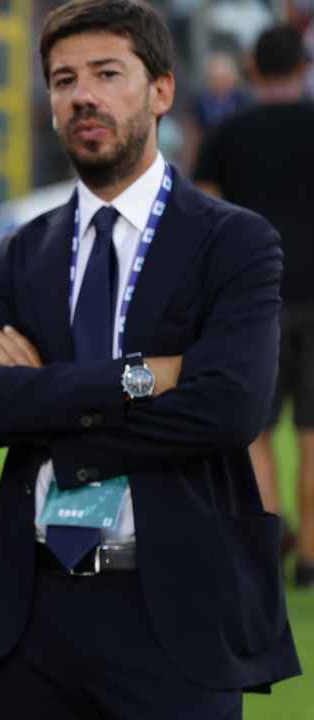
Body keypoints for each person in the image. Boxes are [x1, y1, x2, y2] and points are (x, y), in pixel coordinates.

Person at [0, 0, 302, 717]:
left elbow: (228, 408)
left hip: (177, 616)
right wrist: (141, 377)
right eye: (64, 79)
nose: (82, 95)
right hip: (34, 616)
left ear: (161, 90)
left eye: (107, 74)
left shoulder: (232, 242)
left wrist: (44, 399)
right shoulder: (18, 253)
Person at [195, 23, 314, 588]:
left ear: (253, 69)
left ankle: (269, 539)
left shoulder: (227, 133)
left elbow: (203, 214)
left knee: (255, 430)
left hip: (255, 302)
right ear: (303, 67)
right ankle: (311, 557)